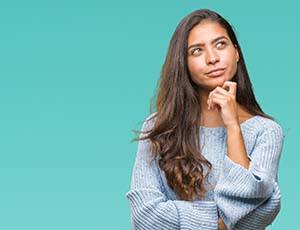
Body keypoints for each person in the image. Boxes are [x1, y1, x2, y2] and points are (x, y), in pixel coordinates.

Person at [126, 8, 284, 230]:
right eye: (197, 51)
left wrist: (232, 126)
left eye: (220, 44)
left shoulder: (265, 131)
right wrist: (220, 222)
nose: (212, 58)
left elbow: (253, 211)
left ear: (236, 52)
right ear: (184, 63)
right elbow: (145, 217)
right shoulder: (158, 127)